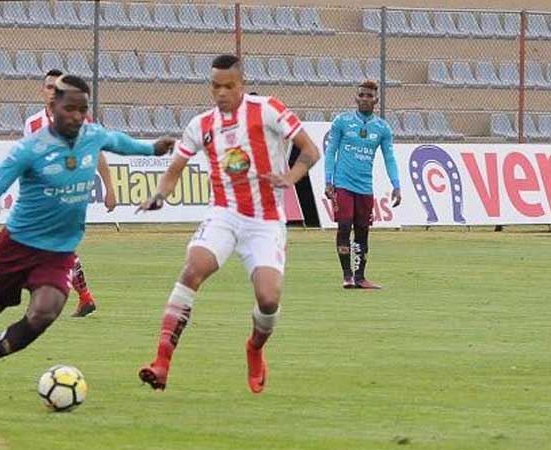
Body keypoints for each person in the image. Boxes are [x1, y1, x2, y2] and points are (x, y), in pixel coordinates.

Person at [0, 75, 175, 398]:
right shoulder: (30, 149)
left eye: (83, 109)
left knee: (45, 312)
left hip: (58, 253)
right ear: (53, 107)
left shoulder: (92, 136)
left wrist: (153, 148)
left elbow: (120, 142)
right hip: (16, 247)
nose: (77, 116)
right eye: (70, 109)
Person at [135, 54, 320, 394]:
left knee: (268, 299)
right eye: (216, 86)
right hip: (223, 213)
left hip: (264, 219)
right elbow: (176, 168)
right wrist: (160, 194)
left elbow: (310, 150)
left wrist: (289, 177)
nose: (221, 93)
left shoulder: (268, 109)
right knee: (193, 269)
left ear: (242, 85)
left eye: (229, 86)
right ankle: (161, 363)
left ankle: (254, 348)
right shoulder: (201, 125)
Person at [24, 69, 115, 317]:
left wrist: (109, 188)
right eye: (48, 87)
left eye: (57, 87)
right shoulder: (32, 123)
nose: (52, 91)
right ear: (43, 91)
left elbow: (97, 154)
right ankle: (83, 297)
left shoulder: (79, 120)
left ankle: (63, 298)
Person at [324, 80, 401, 289]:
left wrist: (396, 185)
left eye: (369, 96)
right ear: (356, 97)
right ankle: (347, 275)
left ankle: (360, 277)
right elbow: (331, 151)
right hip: (342, 184)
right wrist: (328, 180)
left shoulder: (382, 128)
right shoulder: (342, 122)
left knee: (362, 231)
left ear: (376, 99)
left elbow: (389, 158)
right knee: (344, 225)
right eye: (362, 95)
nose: (365, 99)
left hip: (365, 187)